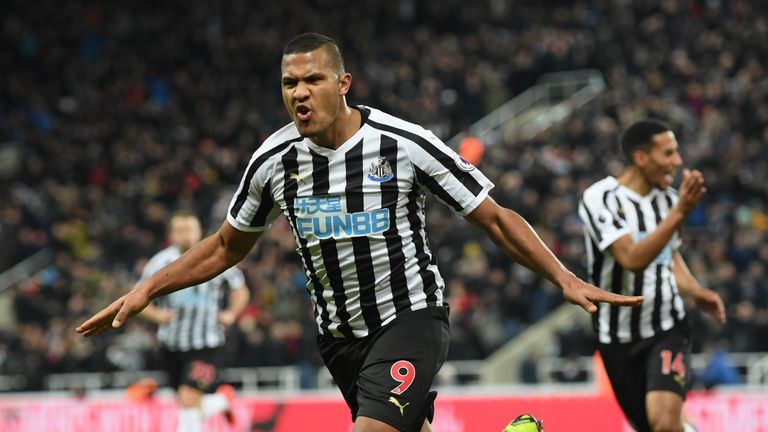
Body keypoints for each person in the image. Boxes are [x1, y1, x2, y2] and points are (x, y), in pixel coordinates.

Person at [77, 33, 642, 432]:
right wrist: (149, 288)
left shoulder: (404, 143)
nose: (300, 93)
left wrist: (563, 278)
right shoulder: (273, 161)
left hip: (410, 318)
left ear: (343, 82)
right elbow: (227, 246)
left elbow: (492, 216)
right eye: (289, 83)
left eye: (313, 79)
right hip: (339, 337)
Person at [578, 119, 726, 432]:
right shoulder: (600, 198)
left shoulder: (670, 201)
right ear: (641, 157)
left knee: (662, 422)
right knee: (652, 427)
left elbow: (668, 256)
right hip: (616, 336)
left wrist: (696, 291)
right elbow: (632, 258)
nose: (678, 161)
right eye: (668, 153)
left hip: (666, 327)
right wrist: (680, 213)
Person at [139, 211, 250, 432]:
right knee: (187, 404)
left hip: (206, 344)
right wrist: (157, 316)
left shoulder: (214, 257)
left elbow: (240, 290)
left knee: (188, 400)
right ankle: (222, 401)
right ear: (171, 235)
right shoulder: (160, 262)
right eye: (180, 230)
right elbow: (138, 298)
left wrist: (231, 313)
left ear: (199, 231)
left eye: (189, 229)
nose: (186, 235)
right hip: (170, 345)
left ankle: (220, 402)